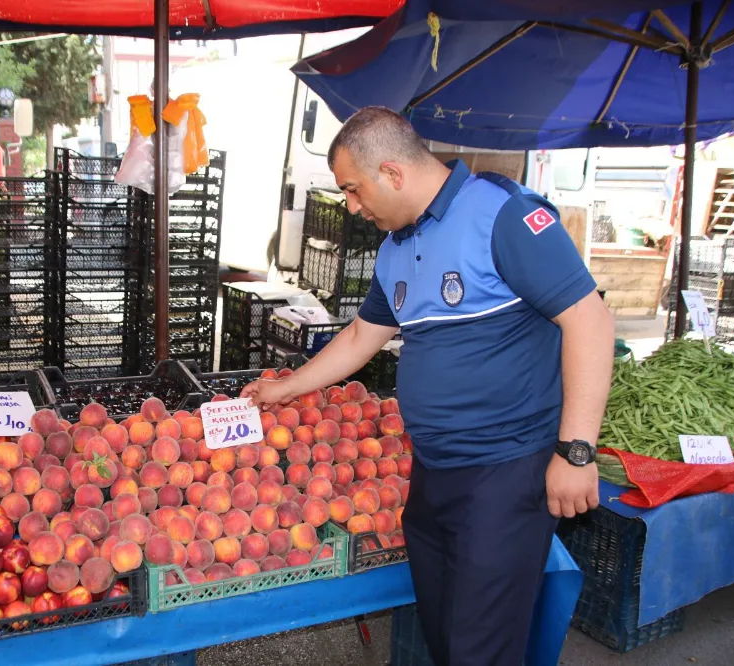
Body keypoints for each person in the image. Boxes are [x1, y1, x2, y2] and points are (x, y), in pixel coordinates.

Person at [241, 107, 615, 666]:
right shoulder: (395, 249)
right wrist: (286, 387)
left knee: (479, 649)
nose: (351, 206)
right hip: (436, 472)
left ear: (392, 173)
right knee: (444, 632)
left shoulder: (502, 216)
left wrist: (576, 452)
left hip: (506, 472)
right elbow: (362, 337)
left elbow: (590, 321)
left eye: (353, 190)